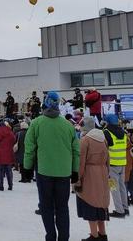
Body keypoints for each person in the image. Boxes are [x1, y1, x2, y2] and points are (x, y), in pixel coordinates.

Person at [24, 91, 80, 241]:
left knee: (46, 207)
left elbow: (29, 147)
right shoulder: (68, 126)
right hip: (64, 173)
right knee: (62, 207)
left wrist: (27, 168)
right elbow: (76, 150)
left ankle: (50, 236)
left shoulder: (36, 123)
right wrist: (75, 170)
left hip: (44, 172)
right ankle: (64, 237)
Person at [75, 118, 109, 241]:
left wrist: (77, 179)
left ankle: (94, 235)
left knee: (90, 203)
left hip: (89, 174)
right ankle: (102, 234)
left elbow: (81, 162)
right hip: (102, 172)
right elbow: (108, 160)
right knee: (100, 204)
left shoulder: (85, 140)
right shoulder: (103, 139)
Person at [102, 113, 128, 218]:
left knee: (113, 188)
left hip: (112, 165)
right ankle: (125, 208)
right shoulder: (123, 132)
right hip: (122, 163)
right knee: (122, 187)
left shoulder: (106, 132)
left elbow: (104, 148)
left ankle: (119, 210)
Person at [0, 121, 16, 191]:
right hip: (8, 153)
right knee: (9, 170)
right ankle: (10, 185)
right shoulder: (10, 131)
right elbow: (14, 140)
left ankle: (1, 186)